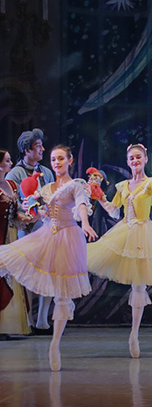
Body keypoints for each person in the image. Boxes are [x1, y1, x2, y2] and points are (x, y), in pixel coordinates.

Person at [87, 143, 152, 358]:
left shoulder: (151, 183)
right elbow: (113, 209)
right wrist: (100, 196)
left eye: (138, 157)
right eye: (131, 158)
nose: (135, 161)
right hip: (124, 231)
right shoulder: (123, 186)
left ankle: (134, 334)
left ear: (145, 159)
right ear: (127, 162)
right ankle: (133, 333)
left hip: (143, 233)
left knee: (139, 285)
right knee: (131, 281)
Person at [0, 145, 97, 370]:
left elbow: (81, 205)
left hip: (67, 238)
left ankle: (54, 345)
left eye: (61, 158)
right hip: (45, 235)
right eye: (53, 159)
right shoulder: (46, 188)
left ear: (70, 161)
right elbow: (41, 214)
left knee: (62, 296)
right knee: (7, 258)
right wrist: (33, 211)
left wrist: (85, 223)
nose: (56, 163)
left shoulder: (75, 185)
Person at [5, 128, 56, 333]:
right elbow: (11, 203)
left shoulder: (46, 173)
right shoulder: (15, 174)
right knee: (26, 275)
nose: (42, 149)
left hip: (47, 229)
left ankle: (42, 320)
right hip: (26, 230)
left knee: (48, 272)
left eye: (42, 146)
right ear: (26, 150)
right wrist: (28, 212)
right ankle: (25, 320)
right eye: (37, 146)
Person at [0, 149, 31, 339]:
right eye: (7, 160)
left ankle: (11, 326)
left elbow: (15, 212)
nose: (11, 164)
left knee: (13, 275)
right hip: (0, 237)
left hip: (11, 235)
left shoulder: (11, 184)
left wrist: (25, 216)